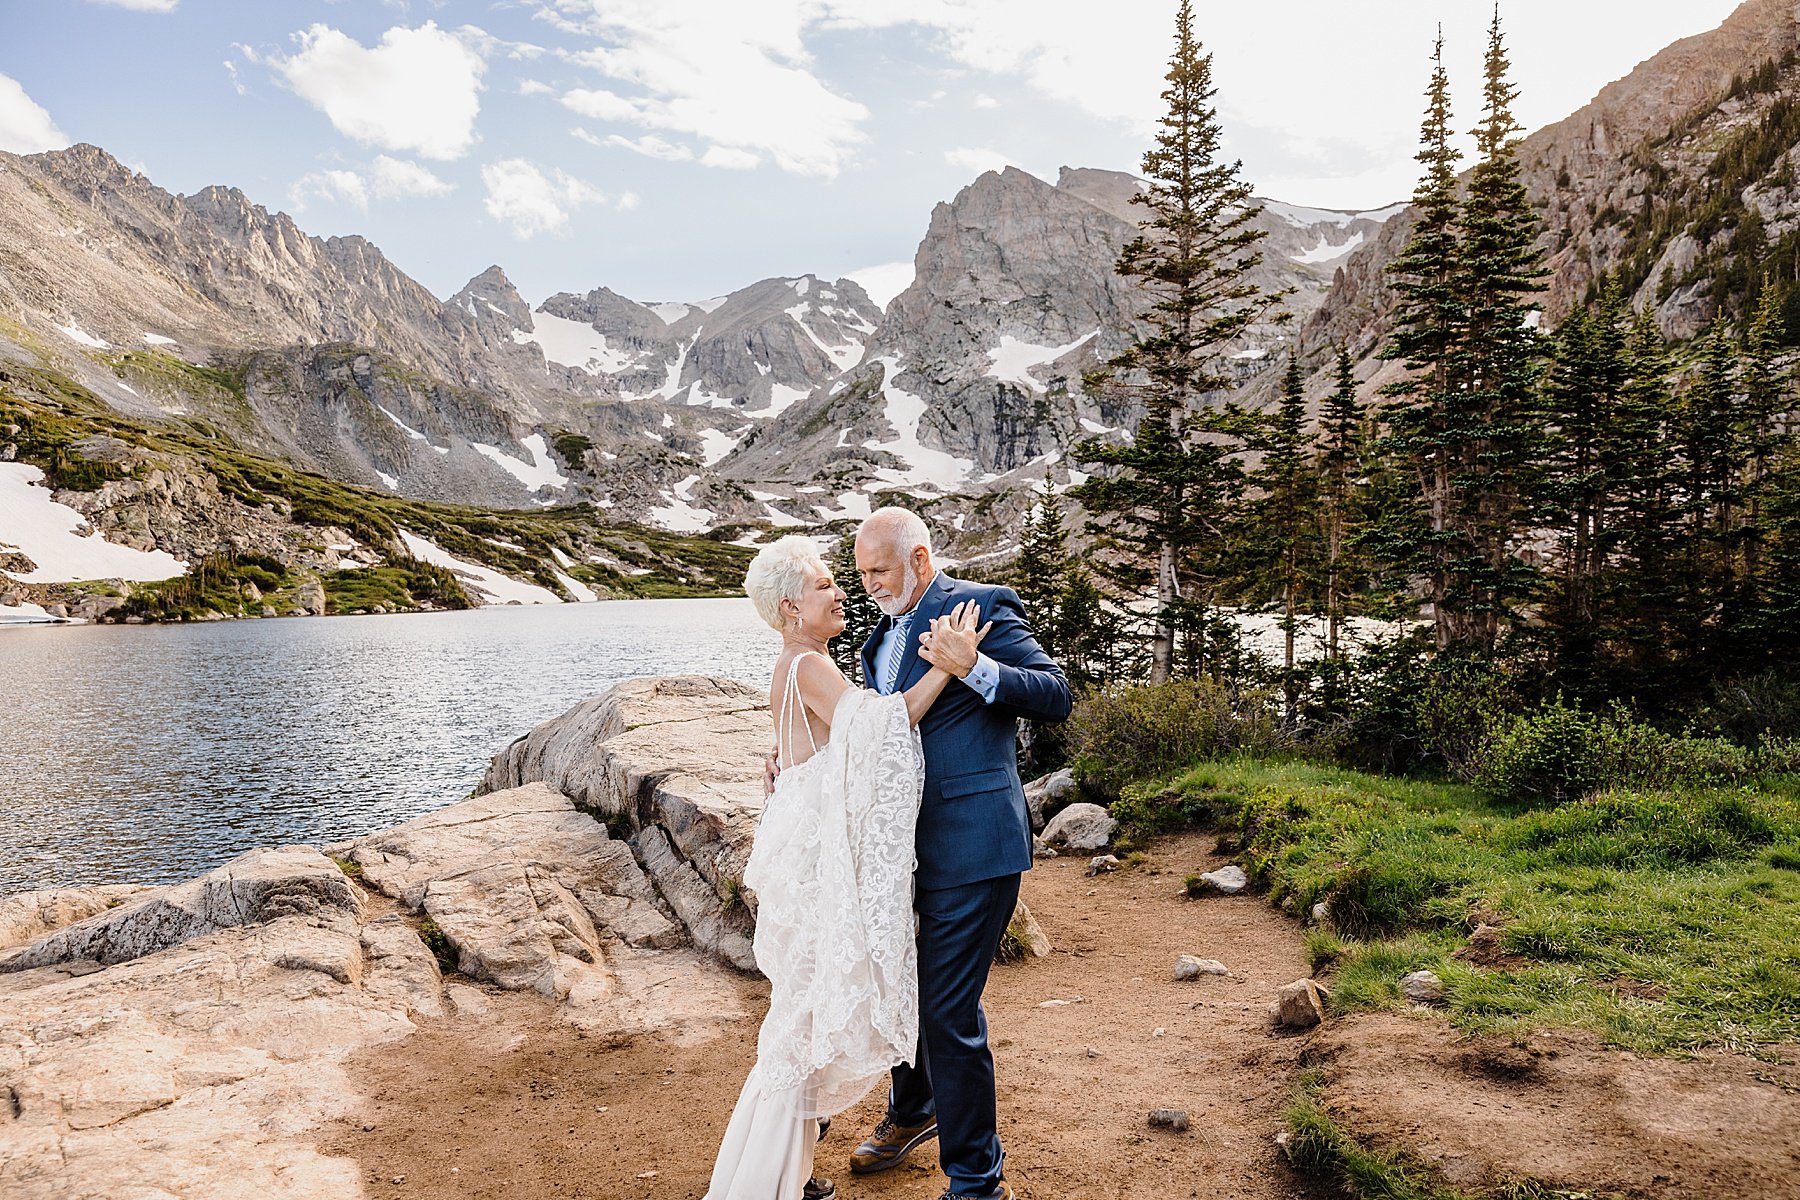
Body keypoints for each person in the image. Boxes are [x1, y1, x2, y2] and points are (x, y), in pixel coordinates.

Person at [705, 534, 991, 1200]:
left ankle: (788, 1173)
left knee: (801, 1017)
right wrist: (950, 665)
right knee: (801, 1024)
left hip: (804, 853)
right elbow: (887, 727)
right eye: (824, 585)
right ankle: (768, 1184)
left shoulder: (798, 664)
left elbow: (823, 749)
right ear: (788, 608)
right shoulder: (806, 665)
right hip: (815, 867)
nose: (840, 593)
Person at [846, 507, 1073, 1200]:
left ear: (918, 560)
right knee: (900, 988)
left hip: (975, 844)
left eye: (877, 571)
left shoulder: (981, 606)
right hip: (901, 849)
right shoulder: (879, 636)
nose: (868, 587)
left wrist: (977, 668)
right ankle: (915, 1109)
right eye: (858, 575)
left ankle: (977, 1181)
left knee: (947, 1012)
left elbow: (1056, 694)